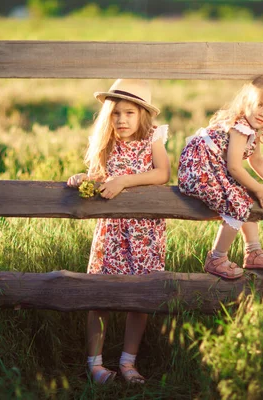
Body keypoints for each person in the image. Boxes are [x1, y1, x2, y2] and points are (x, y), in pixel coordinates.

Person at [67, 79, 170, 384]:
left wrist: (124, 180)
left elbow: (162, 173)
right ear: (107, 117)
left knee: (139, 295)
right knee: (101, 293)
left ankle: (128, 362)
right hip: (111, 230)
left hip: (145, 232)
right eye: (116, 114)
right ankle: (95, 363)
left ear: (143, 116)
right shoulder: (107, 143)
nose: (122, 120)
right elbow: (101, 176)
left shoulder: (153, 138)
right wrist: (86, 178)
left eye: (130, 113)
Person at [177, 74, 263, 280]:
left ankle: (253, 251)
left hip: (212, 167)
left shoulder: (253, 130)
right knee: (237, 203)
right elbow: (235, 168)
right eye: (259, 105)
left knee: (243, 195)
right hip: (200, 169)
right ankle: (217, 257)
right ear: (247, 102)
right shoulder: (240, 127)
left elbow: (257, 162)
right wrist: (258, 188)